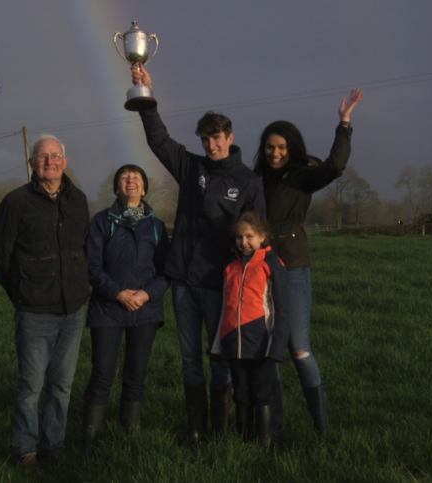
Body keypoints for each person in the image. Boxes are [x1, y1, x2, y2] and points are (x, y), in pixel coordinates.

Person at [131, 63, 266, 445]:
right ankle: (195, 430)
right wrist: (146, 97)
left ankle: (221, 432)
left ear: (230, 137)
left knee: (218, 359)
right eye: (205, 139)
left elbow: (257, 238)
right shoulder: (192, 168)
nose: (211, 146)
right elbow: (159, 141)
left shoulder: (249, 182)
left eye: (217, 138)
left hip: (221, 284)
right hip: (183, 282)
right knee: (190, 359)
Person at [252, 89, 364, 433]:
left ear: (292, 148)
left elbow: (335, 166)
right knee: (268, 350)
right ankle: (274, 429)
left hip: (294, 265)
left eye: (282, 147)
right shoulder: (256, 179)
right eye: (270, 147)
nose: (275, 153)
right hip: (260, 266)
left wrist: (344, 124)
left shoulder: (304, 173)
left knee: (298, 348)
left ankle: (322, 427)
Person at [0, 135, 90, 470]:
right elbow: (0, 258)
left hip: (73, 310)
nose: (50, 161)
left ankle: (54, 445)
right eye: (43, 156)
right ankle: (25, 450)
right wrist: (22, 293)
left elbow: (84, 249)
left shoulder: (78, 200)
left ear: (65, 160)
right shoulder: (16, 202)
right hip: (34, 311)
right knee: (31, 387)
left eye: (56, 155)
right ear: (32, 163)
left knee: (62, 385)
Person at [81, 164, 171, 452]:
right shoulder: (101, 222)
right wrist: (118, 293)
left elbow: (166, 271)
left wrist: (146, 294)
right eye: (124, 177)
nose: (130, 181)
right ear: (117, 188)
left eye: (136, 178)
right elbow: (92, 267)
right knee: (102, 375)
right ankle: (89, 443)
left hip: (145, 311)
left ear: (144, 189)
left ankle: (128, 441)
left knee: (136, 376)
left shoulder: (156, 226)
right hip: (107, 310)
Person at [210, 211, 291, 452]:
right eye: (238, 237)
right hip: (233, 345)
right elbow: (224, 308)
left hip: (262, 347)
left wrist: (275, 350)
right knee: (241, 396)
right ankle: (244, 442)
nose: (243, 242)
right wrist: (217, 345)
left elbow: (282, 311)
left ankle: (264, 444)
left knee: (262, 395)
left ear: (263, 236)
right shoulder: (231, 266)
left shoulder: (272, 264)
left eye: (249, 236)